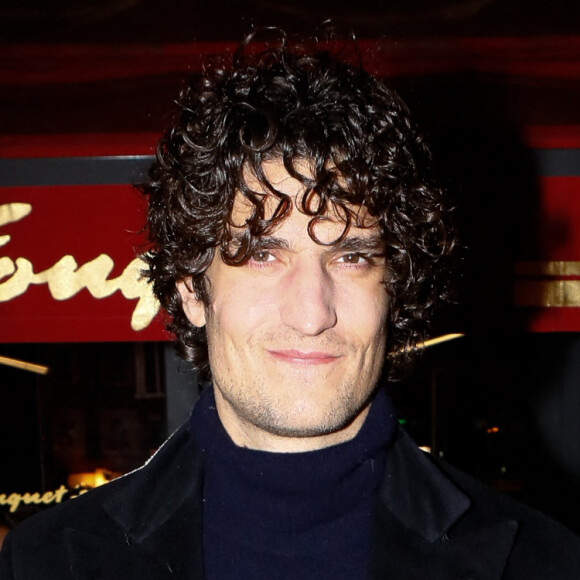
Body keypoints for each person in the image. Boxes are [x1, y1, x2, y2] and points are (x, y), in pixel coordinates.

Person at [2, 31, 580, 580]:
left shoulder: (543, 562)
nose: (312, 314)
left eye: (351, 258)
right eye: (262, 255)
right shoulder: (46, 562)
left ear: (395, 287)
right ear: (190, 289)